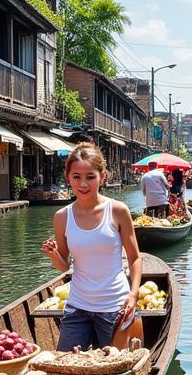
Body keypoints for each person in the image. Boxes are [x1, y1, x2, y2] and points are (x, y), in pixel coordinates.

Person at [42, 144, 143, 351]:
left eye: (90, 176)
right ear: (68, 177)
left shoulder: (117, 210)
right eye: (76, 176)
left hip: (115, 306)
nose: (83, 183)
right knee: (65, 363)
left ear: (102, 176)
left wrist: (133, 294)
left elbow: (134, 258)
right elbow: (63, 266)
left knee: (113, 368)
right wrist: (53, 255)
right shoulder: (62, 217)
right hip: (78, 306)